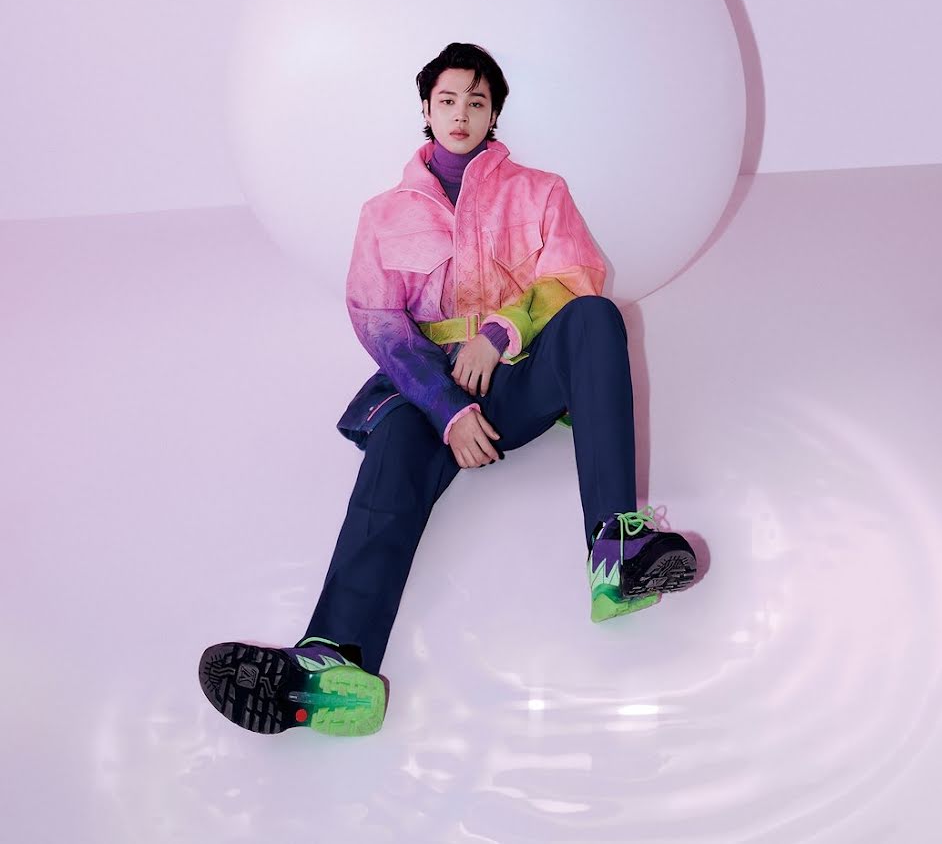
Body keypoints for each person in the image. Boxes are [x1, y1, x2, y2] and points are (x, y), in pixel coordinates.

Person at [199, 42, 697, 738]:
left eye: (477, 101)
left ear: (494, 114)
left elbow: (574, 273)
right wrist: (448, 407)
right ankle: (333, 668)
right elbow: (379, 322)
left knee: (596, 314)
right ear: (426, 109)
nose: (461, 113)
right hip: (426, 390)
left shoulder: (539, 191)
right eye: (447, 99)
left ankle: (617, 554)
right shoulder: (383, 214)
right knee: (393, 458)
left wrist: (498, 333)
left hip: (519, 377)